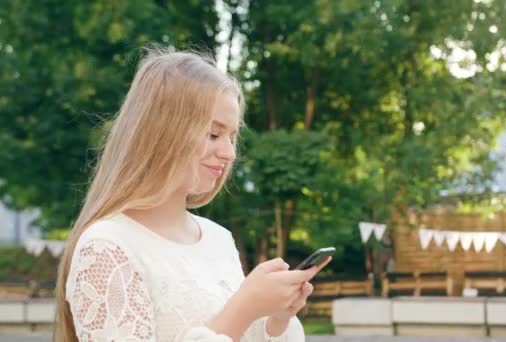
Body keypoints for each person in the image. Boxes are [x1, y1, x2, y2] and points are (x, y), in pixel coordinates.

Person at [53, 47, 330, 342]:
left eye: (232, 137)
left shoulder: (218, 239)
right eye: (213, 134)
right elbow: (234, 322)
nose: (230, 153)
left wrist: (275, 320)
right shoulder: (107, 246)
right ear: (162, 131)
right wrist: (243, 309)